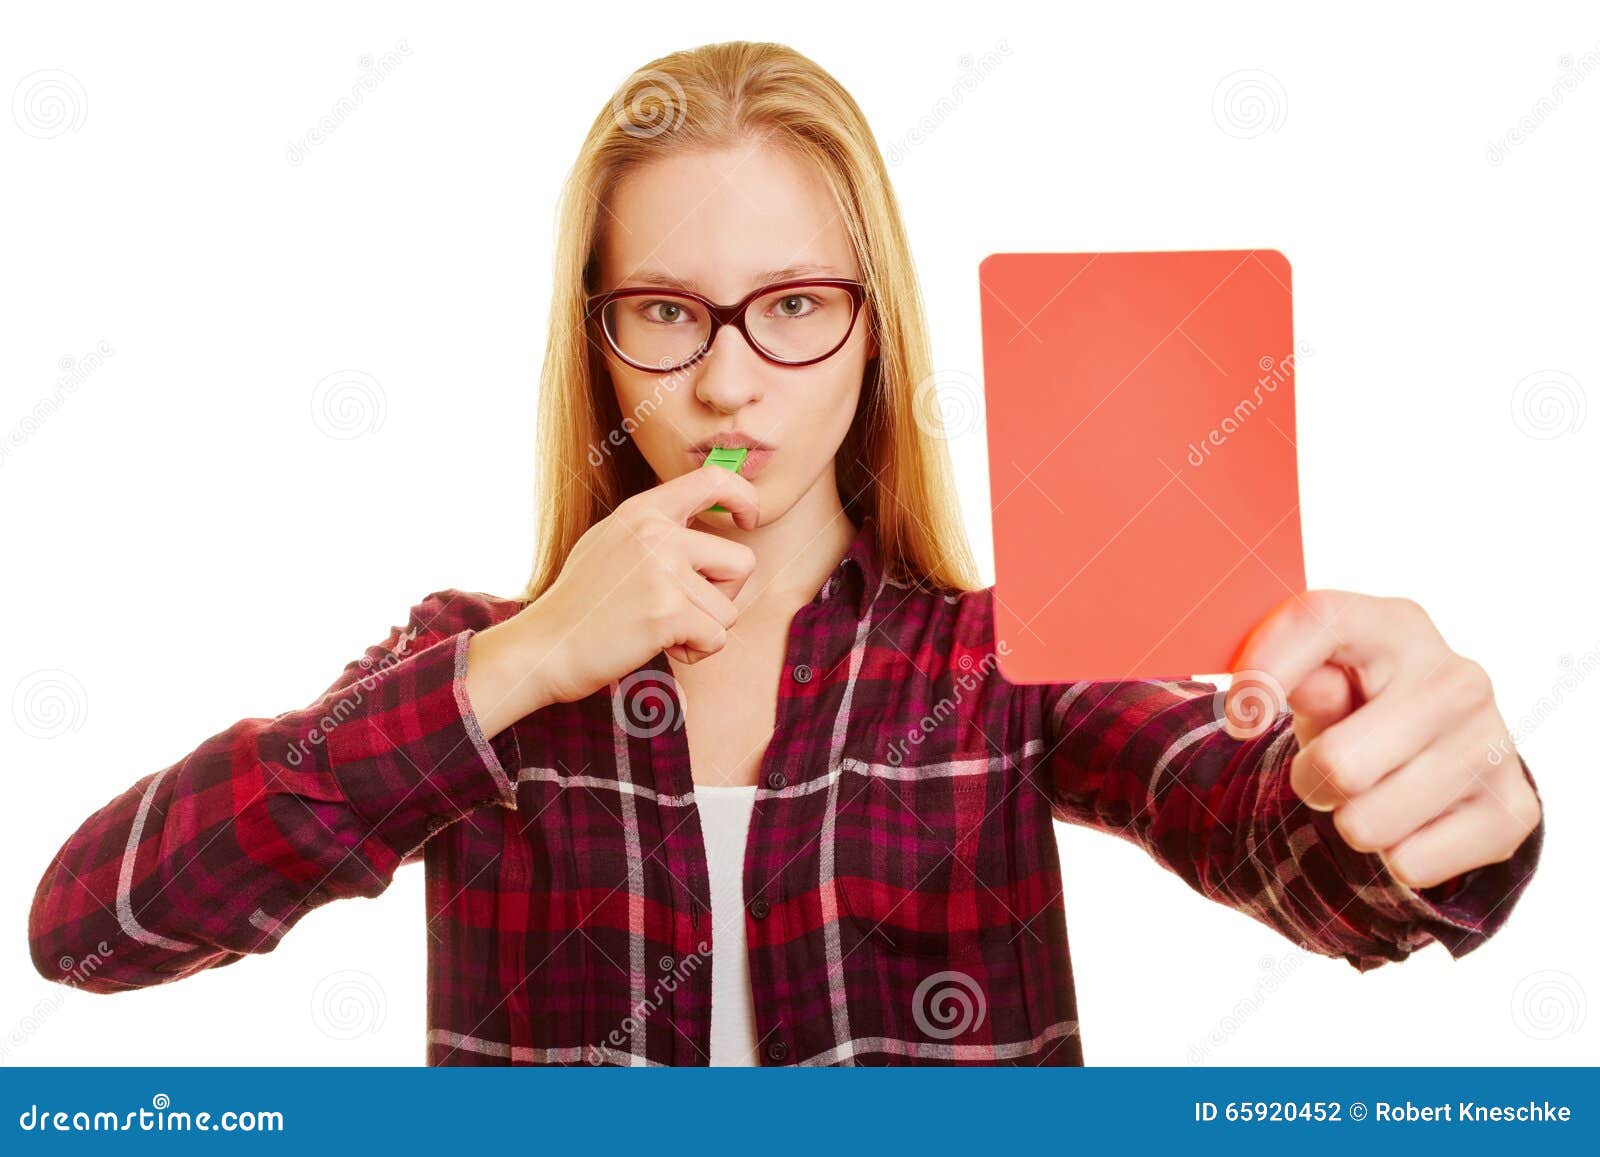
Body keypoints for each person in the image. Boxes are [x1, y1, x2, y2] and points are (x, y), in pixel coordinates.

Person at [28, 40, 1544, 1067]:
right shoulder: (475, 660)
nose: (731, 382)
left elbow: (1293, 858)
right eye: (670, 311)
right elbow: (92, 928)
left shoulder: (991, 661)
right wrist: (530, 656)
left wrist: (1425, 799)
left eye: (795, 305)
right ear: (602, 344)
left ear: (873, 330)